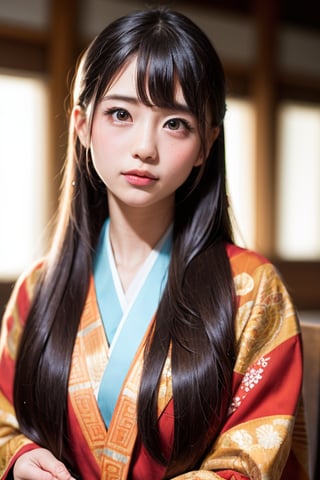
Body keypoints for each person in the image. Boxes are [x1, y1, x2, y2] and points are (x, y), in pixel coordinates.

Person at [0, 7, 309, 480]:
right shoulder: (37, 289)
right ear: (82, 125)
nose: (145, 146)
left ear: (206, 144)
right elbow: (4, 421)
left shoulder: (251, 290)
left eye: (175, 124)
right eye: (121, 113)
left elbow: (249, 460)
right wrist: (18, 457)